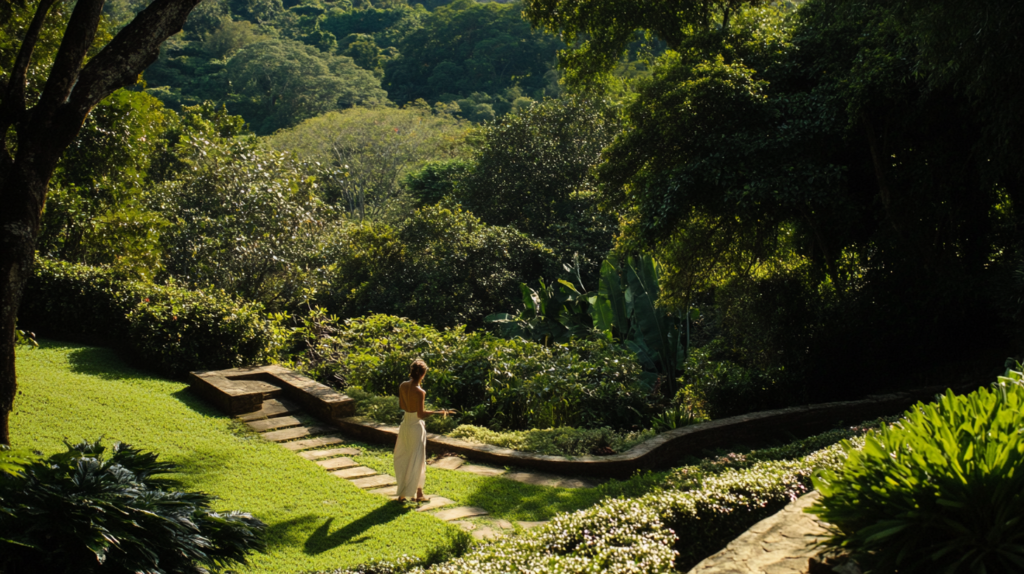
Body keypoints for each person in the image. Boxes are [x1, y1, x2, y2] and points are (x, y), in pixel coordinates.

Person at [394, 359, 454, 503]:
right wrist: (440, 412)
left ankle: (403, 494)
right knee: (418, 460)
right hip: (415, 427)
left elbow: (402, 405)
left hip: (405, 426)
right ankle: (418, 494)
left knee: (403, 457)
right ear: (423, 374)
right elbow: (420, 414)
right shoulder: (420, 391)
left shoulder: (403, 385)